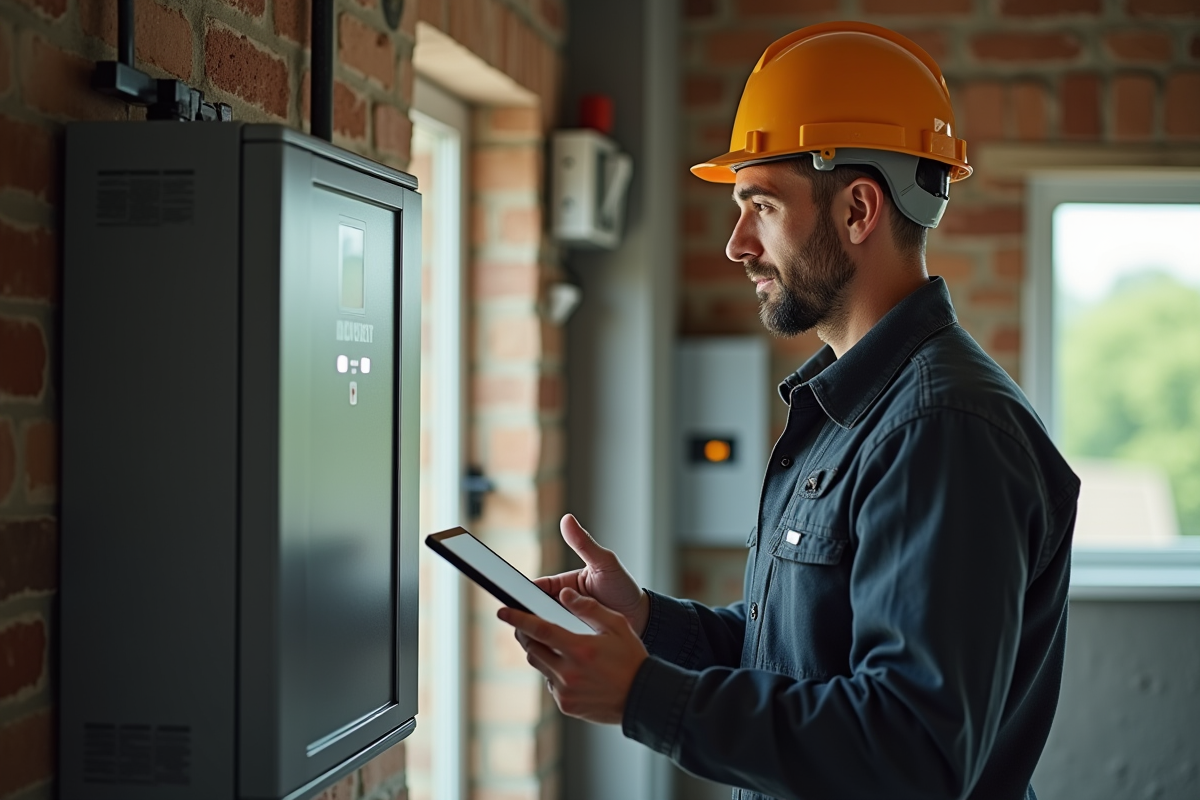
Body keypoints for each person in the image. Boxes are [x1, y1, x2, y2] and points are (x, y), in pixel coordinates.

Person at [497, 21, 1079, 800]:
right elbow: (798, 659)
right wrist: (646, 624)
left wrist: (644, 695)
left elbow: (913, 752)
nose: (738, 244)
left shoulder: (941, 428)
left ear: (858, 210)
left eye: (762, 206)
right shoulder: (855, 408)